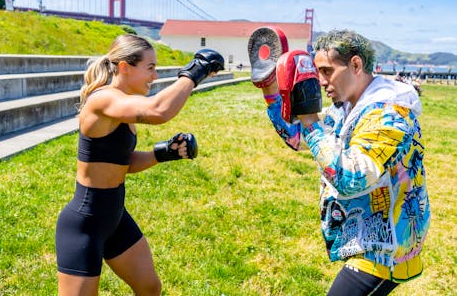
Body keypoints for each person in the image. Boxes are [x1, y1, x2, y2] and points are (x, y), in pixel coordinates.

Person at [252, 29, 430, 295]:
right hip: (364, 236)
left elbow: (350, 178)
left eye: (327, 71)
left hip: (385, 247)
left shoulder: (391, 115)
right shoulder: (345, 108)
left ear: (356, 65)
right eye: (317, 72)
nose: (321, 81)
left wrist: (311, 121)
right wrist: (270, 89)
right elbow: (299, 137)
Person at [55, 34, 224, 296]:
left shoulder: (122, 105)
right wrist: (196, 71)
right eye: (150, 68)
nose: (154, 76)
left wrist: (163, 153)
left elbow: (123, 163)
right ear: (124, 68)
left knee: (149, 288)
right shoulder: (103, 100)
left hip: (114, 217)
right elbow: (158, 111)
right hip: (85, 223)